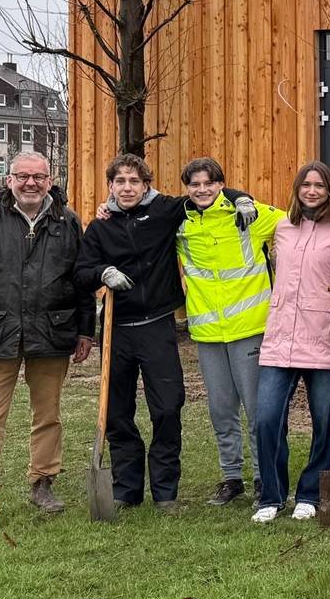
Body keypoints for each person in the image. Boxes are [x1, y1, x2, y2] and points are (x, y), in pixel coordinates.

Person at [74, 153, 256, 512]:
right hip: (116, 329)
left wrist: (241, 198)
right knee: (117, 412)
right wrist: (102, 272)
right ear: (110, 186)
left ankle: (165, 491)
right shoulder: (99, 228)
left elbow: (204, 195)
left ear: (147, 185)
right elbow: (81, 270)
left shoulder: (164, 211)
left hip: (157, 326)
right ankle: (126, 489)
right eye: (120, 181)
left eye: (135, 181)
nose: (128, 188)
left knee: (168, 407)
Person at [0, 151, 95, 530]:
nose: (30, 183)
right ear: (8, 180)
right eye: (22, 176)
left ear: (50, 181)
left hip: (51, 333)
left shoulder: (67, 222)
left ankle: (43, 483)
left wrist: (85, 330)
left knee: (48, 415)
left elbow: (81, 280)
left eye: (38, 177)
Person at [251, 161, 330, 524]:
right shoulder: (283, 226)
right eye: (306, 185)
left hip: (324, 336)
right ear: (297, 189)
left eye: (320, 185)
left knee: (325, 420)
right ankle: (271, 495)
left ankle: (310, 493)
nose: (312, 191)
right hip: (280, 337)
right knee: (267, 418)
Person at [175, 157, 284, 508]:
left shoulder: (248, 214)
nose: (202, 190)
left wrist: (243, 198)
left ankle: (263, 476)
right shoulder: (180, 222)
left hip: (250, 328)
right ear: (187, 189)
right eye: (195, 184)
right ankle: (231, 477)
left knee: (256, 410)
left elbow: (296, 220)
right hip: (208, 332)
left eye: (209, 183)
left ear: (221, 185)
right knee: (221, 410)